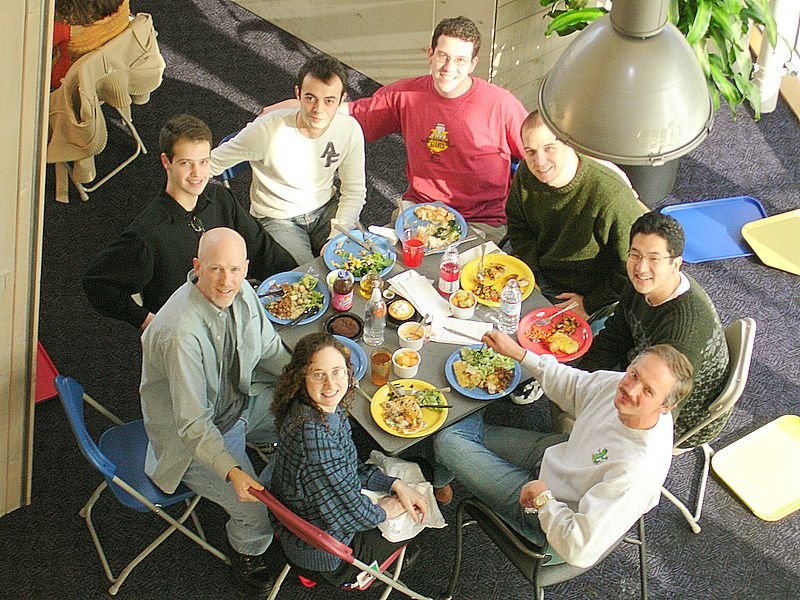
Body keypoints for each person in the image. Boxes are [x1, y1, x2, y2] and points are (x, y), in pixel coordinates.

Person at [434, 332, 693, 568]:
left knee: (446, 440)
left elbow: (580, 550)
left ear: (665, 407)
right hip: (557, 460)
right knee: (456, 423)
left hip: (551, 517)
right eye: (634, 374)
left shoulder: (636, 470)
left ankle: (433, 476)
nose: (631, 388)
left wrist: (544, 501)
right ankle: (438, 477)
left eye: (647, 390)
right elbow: (573, 386)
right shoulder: (620, 387)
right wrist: (519, 354)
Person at [140, 228, 289, 590]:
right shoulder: (181, 334)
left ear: (246, 267)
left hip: (239, 402)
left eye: (235, 270)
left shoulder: (243, 291)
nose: (227, 281)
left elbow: (270, 350)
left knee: (303, 410)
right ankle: (248, 550)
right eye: (216, 270)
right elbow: (193, 425)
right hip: (196, 439)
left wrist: (307, 382)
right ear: (197, 267)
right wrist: (232, 471)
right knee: (256, 505)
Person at [83, 114, 297, 331]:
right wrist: (148, 321)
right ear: (166, 161)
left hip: (234, 310)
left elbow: (261, 248)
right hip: (188, 330)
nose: (197, 174)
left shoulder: (222, 200)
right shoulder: (148, 234)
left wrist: (297, 280)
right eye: (186, 163)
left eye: (203, 162)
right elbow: (97, 284)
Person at [345, 16, 528, 240]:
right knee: (392, 269)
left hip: (481, 219)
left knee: (455, 272)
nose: (449, 67)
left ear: (473, 64)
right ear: (430, 55)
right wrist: (302, 108)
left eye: (460, 60)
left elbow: (540, 152)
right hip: (420, 208)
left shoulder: (501, 105)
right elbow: (353, 116)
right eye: (443, 56)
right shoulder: (406, 95)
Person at [269, 333, 427, 585]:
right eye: (318, 374)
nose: (331, 385)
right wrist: (386, 509)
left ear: (348, 373)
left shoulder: (313, 408)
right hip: (326, 556)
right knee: (421, 503)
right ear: (302, 377)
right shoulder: (314, 440)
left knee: (404, 487)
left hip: (304, 523)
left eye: (337, 372)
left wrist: (394, 485)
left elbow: (348, 469)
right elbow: (349, 515)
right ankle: (364, 573)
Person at [578, 212, 730, 447]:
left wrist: (591, 408)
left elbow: (661, 414)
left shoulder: (683, 335)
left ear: (675, 264)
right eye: (635, 255)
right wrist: (581, 381)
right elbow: (615, 336)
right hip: (641, 367)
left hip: (675, 412)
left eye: (654, 259)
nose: (641, 268)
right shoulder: (642, 284)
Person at [210, 55, 366, 265]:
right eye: (310, 98)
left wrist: (338, 235)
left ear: (341, 99)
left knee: (361, 263)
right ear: (298, 94)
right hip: (277, 217)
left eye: (329, 101)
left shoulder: (349, 129)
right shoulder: (266, 130)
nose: (318, 109)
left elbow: (354, 191)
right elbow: (210, 163)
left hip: (325, 207)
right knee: (306, 281)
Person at [506, 110, 645, 322]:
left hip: (592, 296)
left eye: (549, 148)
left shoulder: (610, 195)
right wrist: (530, 269)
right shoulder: (526, 172)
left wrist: (591, 303)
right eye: (530, 151)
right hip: (539, 276)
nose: (539, 161)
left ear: (570, 143)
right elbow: (518, 224)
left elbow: (633, 265)